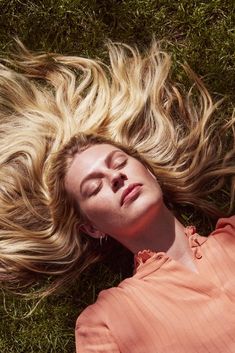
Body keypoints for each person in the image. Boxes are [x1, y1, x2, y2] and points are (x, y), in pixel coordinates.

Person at [0, 39, 234, 352]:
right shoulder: (108, 320)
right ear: (92, 228)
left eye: (119, 163)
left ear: (149, 173)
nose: (114, 177)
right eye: (94, 187)